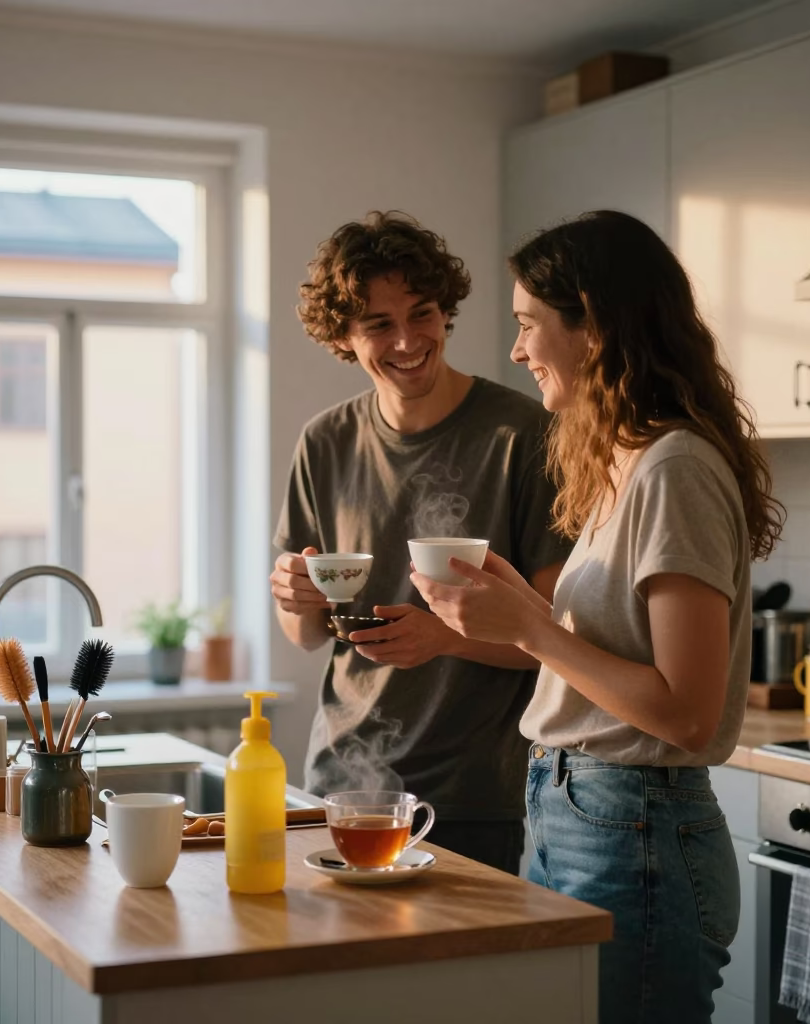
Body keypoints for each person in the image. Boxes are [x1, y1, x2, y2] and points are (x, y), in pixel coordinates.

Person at [413, 210, 783, 1022]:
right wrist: (518, 606)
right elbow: (613, 655)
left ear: (596, 325)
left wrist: (531, 628)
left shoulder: (675, 468)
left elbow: (685, 713)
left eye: (528, 326)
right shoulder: (630, 461)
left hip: (632, 824)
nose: (516, 351)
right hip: (577, 810)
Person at [270, 211, 568, 875]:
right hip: (342, 783)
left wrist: (444, 638)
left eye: (423, 313)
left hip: (474, 793)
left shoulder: (521, 434)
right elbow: (307, 635)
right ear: (344, 338)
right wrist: (295, 596)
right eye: (378, 324)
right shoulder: (325, 442)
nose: (408, 340)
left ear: (445, 312)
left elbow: (557, 635)